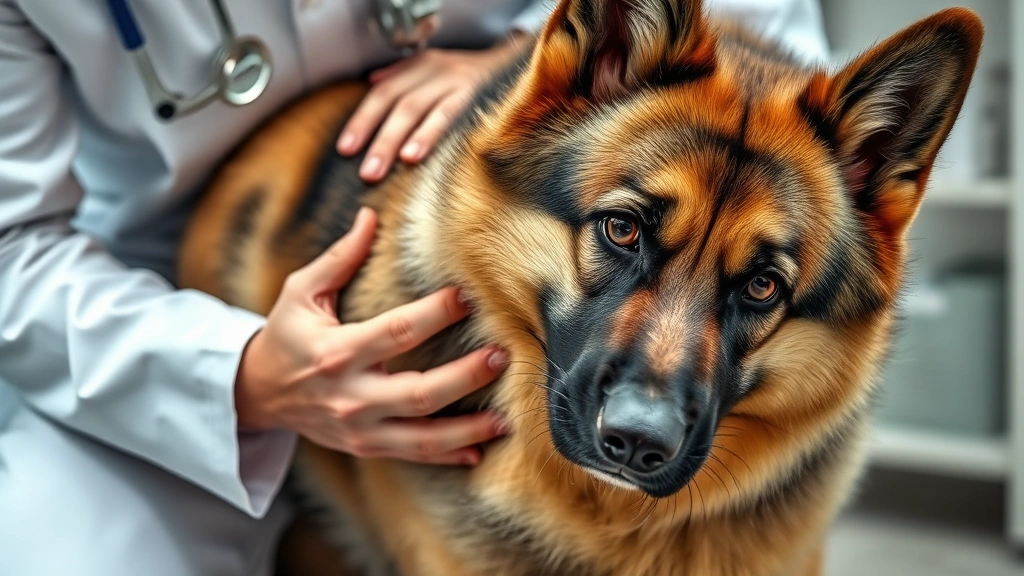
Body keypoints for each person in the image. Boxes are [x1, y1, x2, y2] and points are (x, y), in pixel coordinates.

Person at [0, 1, 830, 574]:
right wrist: (235, 374)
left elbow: (767, 84)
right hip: (149, 306)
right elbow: (11, 247)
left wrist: (527, 71)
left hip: (527, 182)